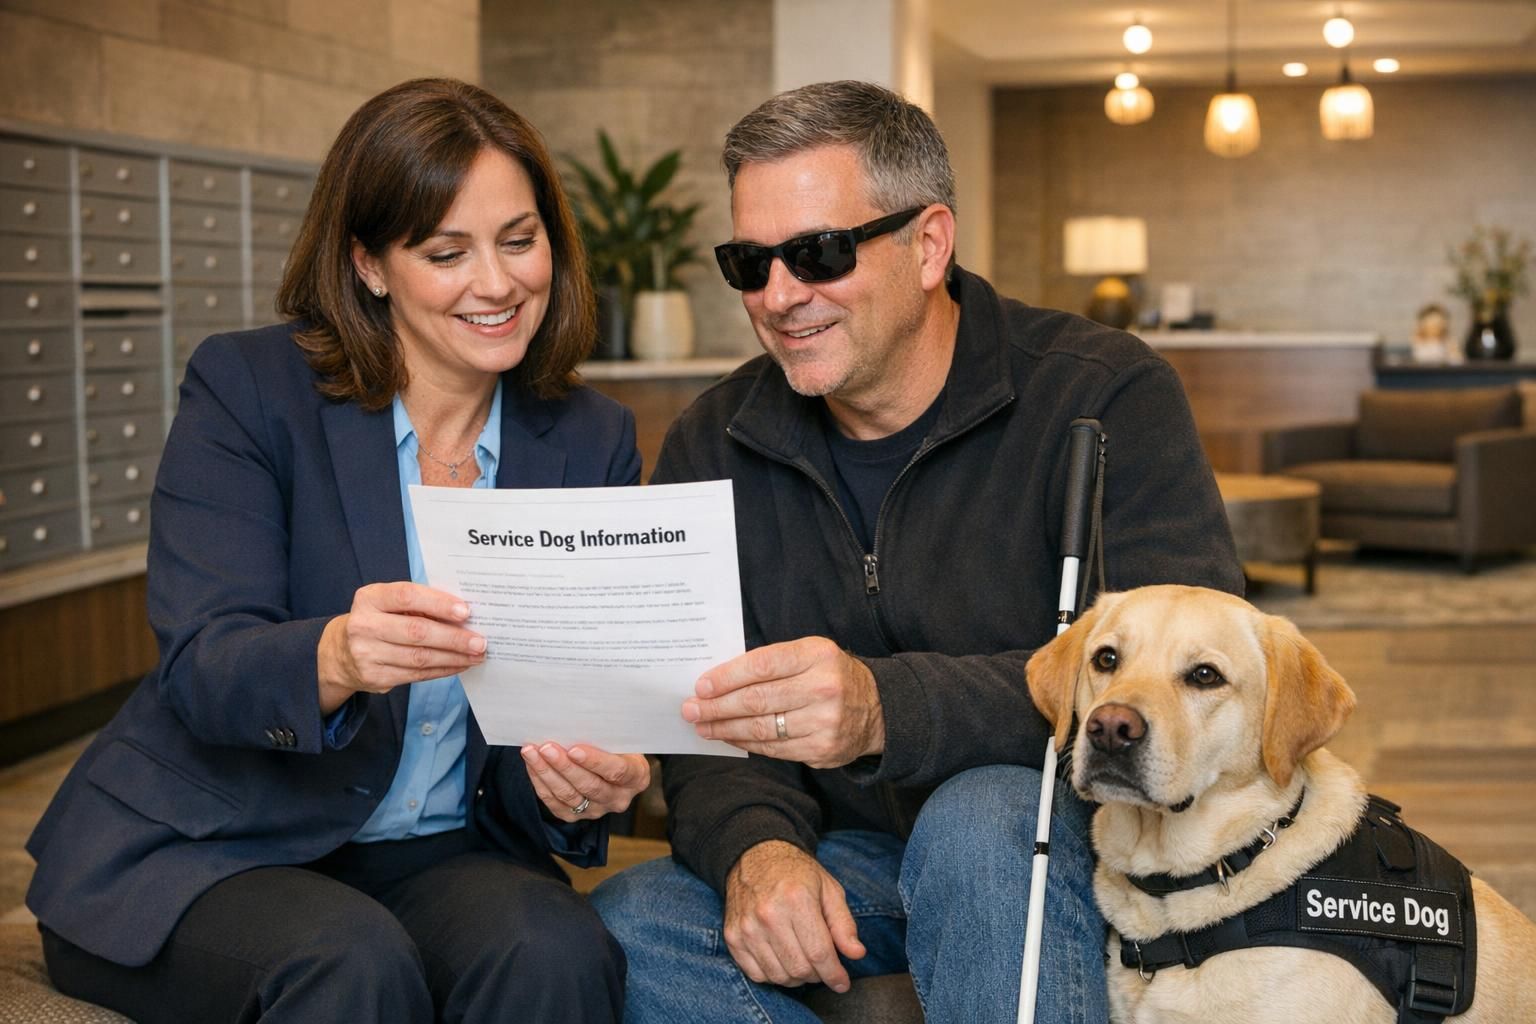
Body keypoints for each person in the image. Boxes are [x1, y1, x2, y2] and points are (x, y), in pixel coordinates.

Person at [590, 80, 1245, 1023]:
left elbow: (1195, 683)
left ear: (929, 244)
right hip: (848, 851)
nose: (779, 296)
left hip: (1076, 836)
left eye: (817, 254)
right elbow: (705, 717)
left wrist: (883, 709)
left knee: (980, 816)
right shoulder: (713, 439)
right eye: (749, 263)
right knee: (633, 919)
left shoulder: (1105, 397)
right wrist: (755, 849)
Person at [26, 78, 648, 1024]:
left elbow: (562, 713)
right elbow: (204, 666)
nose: (497, 283)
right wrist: (336, 656)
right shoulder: (248, 389)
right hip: (210, 846)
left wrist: (585, 783)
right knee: (351, 964)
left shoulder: (591, 438)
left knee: (556, 951)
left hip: (438, 851)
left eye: (520, 241)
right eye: (447, 253)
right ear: (368, 264)